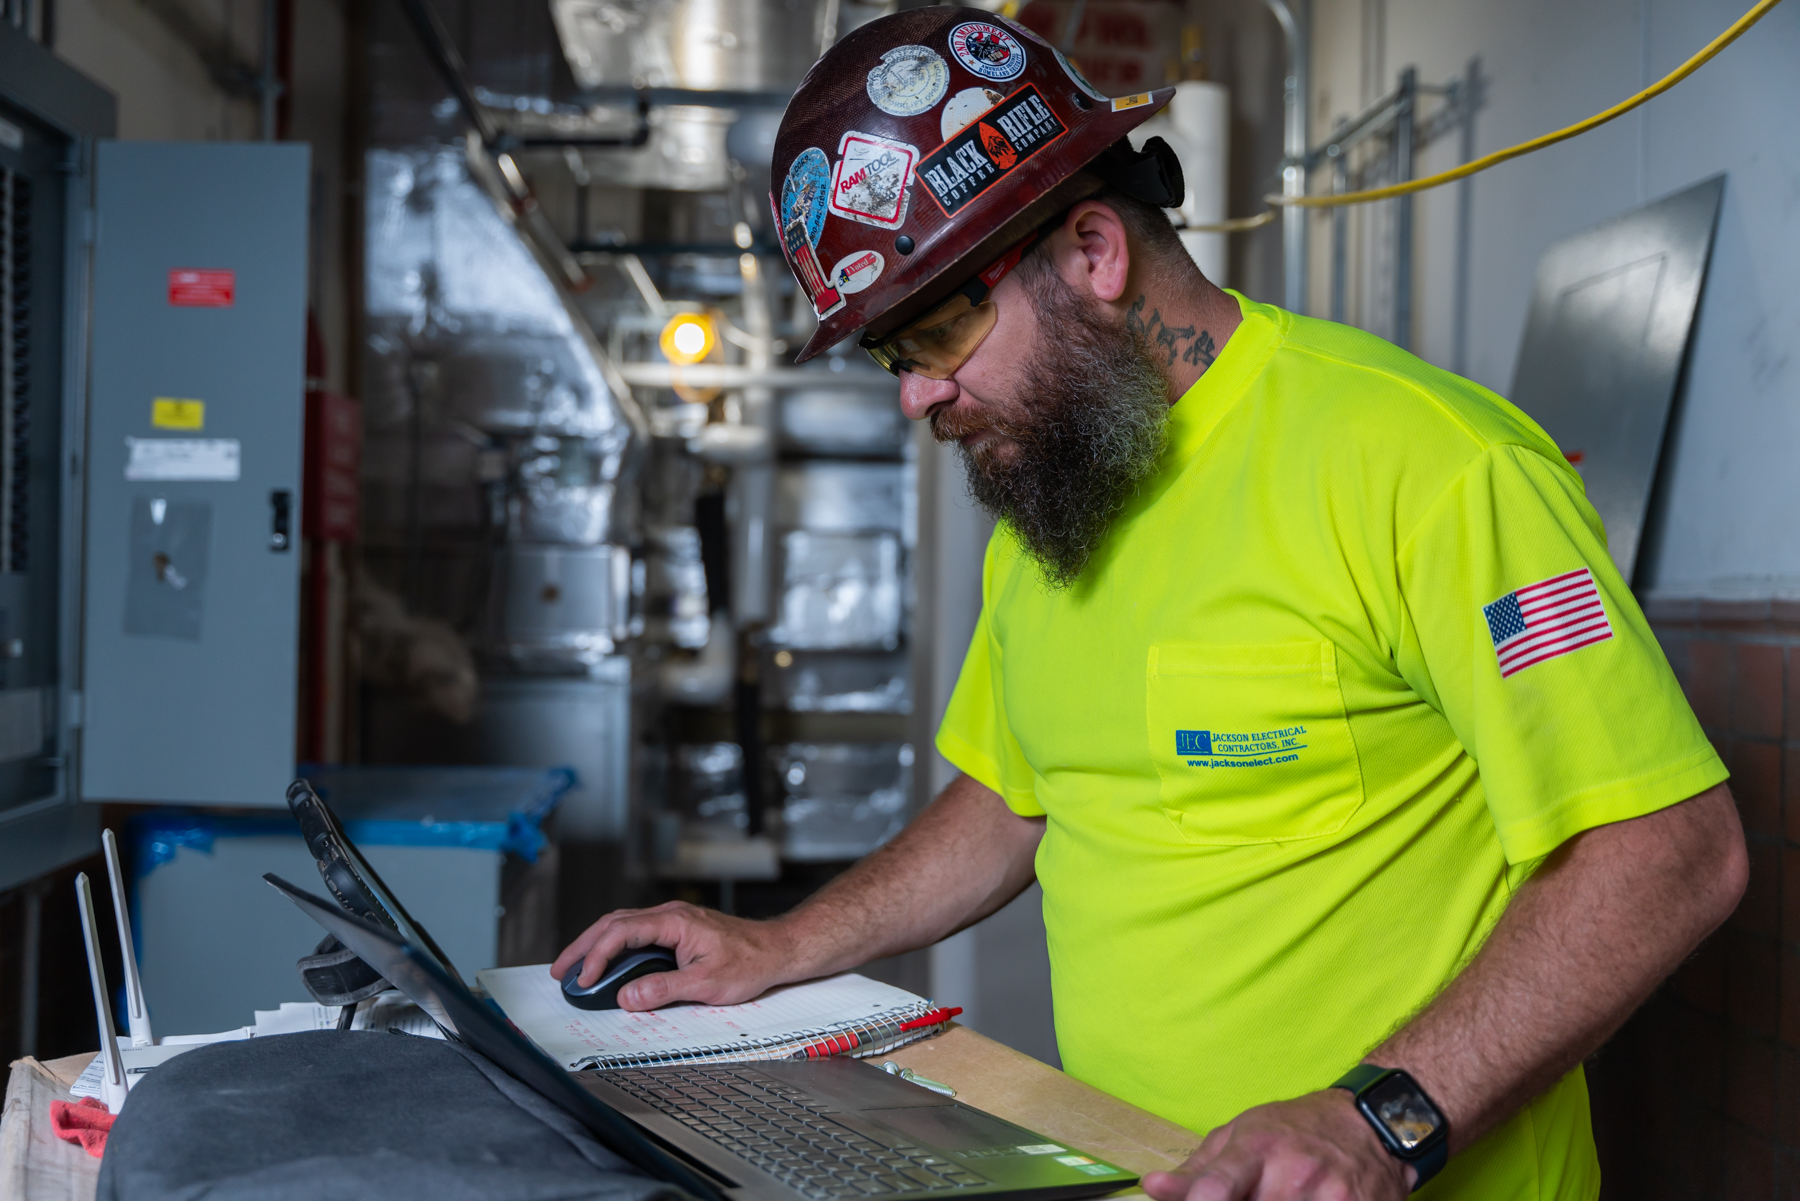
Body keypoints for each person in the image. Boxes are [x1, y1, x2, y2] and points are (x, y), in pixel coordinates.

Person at [553, 9, 1748, 1198]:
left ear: (1092, 253)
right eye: (890, 356)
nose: (917, 397)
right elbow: (1018, 795)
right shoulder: (1053, 497)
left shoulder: (1428, 466)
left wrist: (1379, 1120)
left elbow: (1669, 850)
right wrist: (780, 945)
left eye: (936, 330)